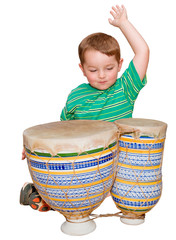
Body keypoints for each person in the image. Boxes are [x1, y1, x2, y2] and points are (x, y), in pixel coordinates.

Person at [20, 5, 149, 211]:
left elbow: (143, 51)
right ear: (82, 69)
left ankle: (50, 198)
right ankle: (45, 194)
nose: (102, 75)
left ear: (120, 64)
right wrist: (36, 148)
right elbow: (59, 133)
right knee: (70, 181)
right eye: (93, 69)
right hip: (83, 164)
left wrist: (123, 24)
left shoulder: (126, 88)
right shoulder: (76, 96)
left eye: (109, 68)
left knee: (132, 179)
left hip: (116, 162)